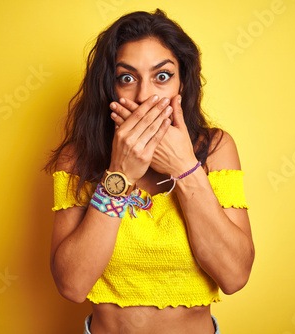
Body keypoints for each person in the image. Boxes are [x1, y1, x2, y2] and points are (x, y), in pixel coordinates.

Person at [46, 9, 255, 334]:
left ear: (182, 82)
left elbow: (235, 276)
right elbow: (72, 285)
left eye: (162, 76)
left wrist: (185, 167)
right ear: (109, 88)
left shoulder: (215, 149)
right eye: (127, 78)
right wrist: (120, 174)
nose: (144, 96)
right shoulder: (79, 158)